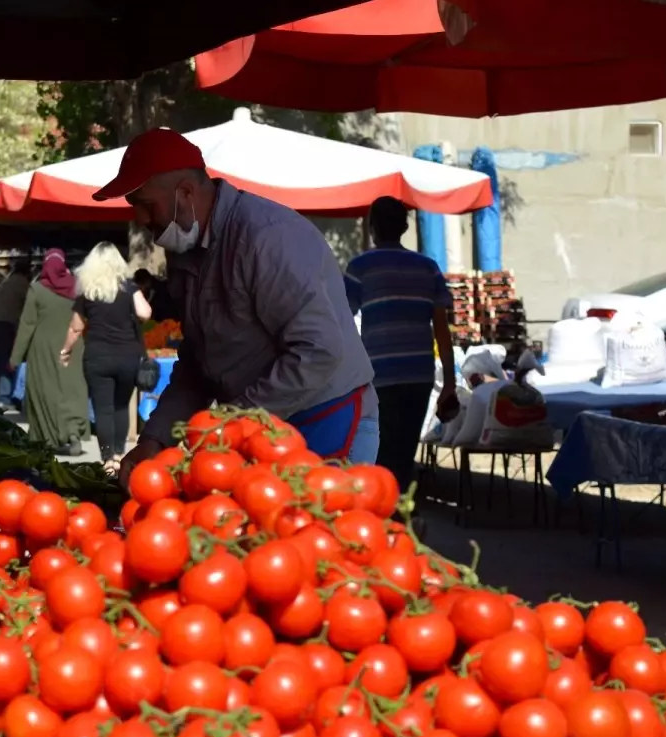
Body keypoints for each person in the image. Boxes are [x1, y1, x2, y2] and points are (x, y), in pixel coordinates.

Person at [99, 129, 377, 486]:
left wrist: (230, 422)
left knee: (321, 536)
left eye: (146, 204)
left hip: (325, 416)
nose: (139, 218)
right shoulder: (182, 249)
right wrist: (155, 437)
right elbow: (198, 362)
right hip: (260, 426)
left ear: (185, 192)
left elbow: (319, 351)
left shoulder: (268, 236)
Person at [345, 196, 457, 488]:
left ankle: (386, 516)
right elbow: (442, 329)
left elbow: (342, 322)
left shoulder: (360, 267)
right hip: (419, 374)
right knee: (405, 452)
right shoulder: (428, 268)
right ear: (405, 227)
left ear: (373, 229)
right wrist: (449, 383)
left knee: (379, 452)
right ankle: (400, 514)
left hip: (378, 375)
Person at [60, 243, 152, 474]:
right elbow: (145, 313)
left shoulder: (88, 292)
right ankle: (120, 455)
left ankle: (108, 457)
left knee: (103, 409)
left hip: (97, 357)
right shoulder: (129, 288)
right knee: (121, 406)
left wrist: (66, 350)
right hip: (127, 357)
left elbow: (76, 327)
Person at [10, 249, 91, 455]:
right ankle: (73, 432)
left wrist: (16, 357)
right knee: (72, 390)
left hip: (43, 348)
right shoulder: (77, 287)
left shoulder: (37, 290)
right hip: (73, 345)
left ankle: (47, 438)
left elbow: (27, 325)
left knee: (45, 391)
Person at [0, 260, 31, 409]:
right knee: (8, 362)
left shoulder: (7, 282)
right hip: (6, 325)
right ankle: (5, 398)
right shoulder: (22, 284)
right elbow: (30, 308)